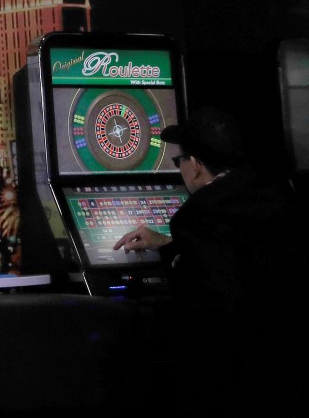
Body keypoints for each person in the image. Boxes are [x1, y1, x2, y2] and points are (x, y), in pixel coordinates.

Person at [112, 106, 308, 415]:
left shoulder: (199, 215)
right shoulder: (280, 196)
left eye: (180, 161)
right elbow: (244, 253)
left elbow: (212, 309)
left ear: (196, 166)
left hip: (234, 383)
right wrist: (170, 246)